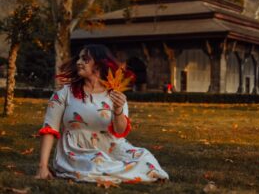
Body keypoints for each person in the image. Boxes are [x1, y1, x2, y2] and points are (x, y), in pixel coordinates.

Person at [35, 44, 169, 184]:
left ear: (98, 65)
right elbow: (49, 129)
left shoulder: (115, 94)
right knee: (97, 162)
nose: (78, 62)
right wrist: (43, 166)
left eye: (85, 59)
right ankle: (123, 173)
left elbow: (120, 131)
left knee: (144, 157)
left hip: (111, 147)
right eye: (79, 58)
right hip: (76, 151)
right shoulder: (65, 93)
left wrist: (118, 110)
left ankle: (116, 171)